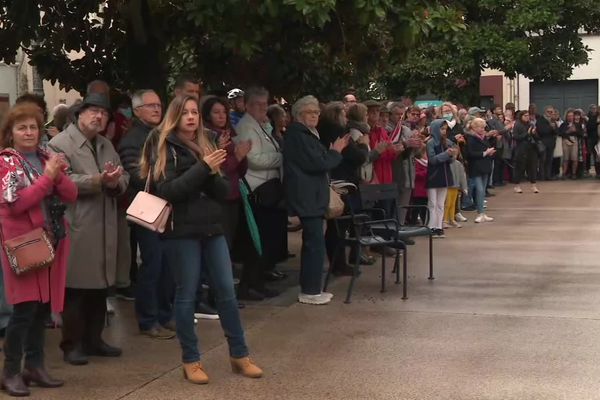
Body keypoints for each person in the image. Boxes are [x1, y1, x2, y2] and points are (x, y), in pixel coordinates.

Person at [140, 95, 262, 384]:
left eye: (195, 112)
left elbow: (223, 190)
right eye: (185, 114)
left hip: (212, 227)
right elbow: (169, 190)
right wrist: (203, 168)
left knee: (226, 291)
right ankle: (191, 360)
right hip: (182, 231)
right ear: (175, 118)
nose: (192, 118)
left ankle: (240, 355)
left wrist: (213, 169)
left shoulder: (207, 142)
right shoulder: (164, 145)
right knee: (186, 294)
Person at [0, 104, 77, 397]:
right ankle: (10, 372)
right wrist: (48, 177)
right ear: (11, 133)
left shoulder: (47, 157)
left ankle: (35, 366)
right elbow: (17, 203)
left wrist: (56, 174)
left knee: (40, 309)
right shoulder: (7, 162)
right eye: (22, 128)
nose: (29, 132)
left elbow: (71, 194)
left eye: (33, 127)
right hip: (23, 245)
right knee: (23, 311)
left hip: (50, 242)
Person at [48, 93, 129, 366]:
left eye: (104, 113)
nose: (99, 117)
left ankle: (94, 340)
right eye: (93, 111)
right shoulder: (60, 143)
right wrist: (99, 180)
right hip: (77, 225)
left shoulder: (106, 144)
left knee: (100, 288)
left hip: (105, 225)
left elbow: (124, 176)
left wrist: (116, 182)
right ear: (78, 114)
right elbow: (62, 179)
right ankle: (71, 345)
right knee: (76, 289)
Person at [118, 90, 175, 339]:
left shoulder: (164, 133)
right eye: (150, 106)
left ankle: (164, 314)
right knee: (153, 264)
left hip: (169, 206)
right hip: (148, 207)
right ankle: (148, 319)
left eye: (159, 105)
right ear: (137, 110)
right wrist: (170, 177)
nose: (156, 109)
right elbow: (137, 176)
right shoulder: (133, 139)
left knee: (168, 265)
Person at [283, 96, 348, 305]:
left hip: (311, 194)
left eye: (317, 112)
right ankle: (310, 290)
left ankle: (311, 288)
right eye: (310, 112)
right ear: (300, 114)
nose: (315, 115)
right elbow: (318, 163)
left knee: (314, 242)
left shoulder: (306, 134)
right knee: (314, 244)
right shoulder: (298, 135)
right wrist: (335, 151)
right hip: (306, 195)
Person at [236, 87, 288, 282]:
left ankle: (260, 278)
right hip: (258, 189)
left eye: (264, 104)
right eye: (257, 104)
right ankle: (253, 282)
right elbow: (253, 159)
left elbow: (269, 146)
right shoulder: (246, 127)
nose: (262, 108)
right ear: (247, 105)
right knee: (259, 240)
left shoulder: (258, 124)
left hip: (268, 188)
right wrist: (280, 157)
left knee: (268, 238)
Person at [318, 101, 367, 276]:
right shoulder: (337, 132)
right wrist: (362, 145)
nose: (346, 119)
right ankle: (338, 264)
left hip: (333, 180)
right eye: (344, 115)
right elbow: (357, 157)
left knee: (335, 226)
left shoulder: (321, 131)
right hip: (343, 183)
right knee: (339, 225)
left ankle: (337, 262)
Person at [426, 119, 456, 238]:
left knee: (440, 203)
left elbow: (452, 160)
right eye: (441, 128)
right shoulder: (430, 143)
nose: (444, 131)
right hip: (434, 175)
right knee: (432, 203)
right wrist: (446, 155)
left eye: (445, 129)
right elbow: (432, 160)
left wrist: (452, 155)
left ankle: (439, 226)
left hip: (444, 175)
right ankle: (431, 226)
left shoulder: (447, 142)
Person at [466, 118, 496, 223]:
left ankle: (482, 212)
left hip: (485, 166)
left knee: (482, 190)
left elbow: (487, 147)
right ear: (474, 127)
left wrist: (490, 152)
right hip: (476, 167)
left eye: (484, 127)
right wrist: (484, 153)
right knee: (479, 189)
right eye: (481, 127)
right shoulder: (471, 138)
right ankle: (479, 213)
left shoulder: (483, 138)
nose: (483, 129)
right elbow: (470, 153)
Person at [513, 110, 540, 193]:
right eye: (525, 115)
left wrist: (534, 133)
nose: (527, 117)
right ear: (521, 116)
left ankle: (533, 186)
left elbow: (537, 137)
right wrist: (527, 133)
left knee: (532, 167)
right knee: (520, 168)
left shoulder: (530, 124)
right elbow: (516, 137)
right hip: (521, 149)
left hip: (531, 148)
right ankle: (517, 186)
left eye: (528, 115)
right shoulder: (517, 125)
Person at [535, 106, 559, 181]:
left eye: (552, 112)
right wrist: (550, 128)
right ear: (545, 112)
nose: (550, 113)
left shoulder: (553, 121)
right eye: (549, 112)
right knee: (543, 160)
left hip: (551, 144)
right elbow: (542, 131)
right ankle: (542, 176)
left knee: (549, 160)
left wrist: (554, 128)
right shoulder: (540, 120)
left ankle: (548, 176)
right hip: (543, 143)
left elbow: (557, 132)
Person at [559, 109, 584, 180]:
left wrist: (575, 131)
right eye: (569, 116)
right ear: (566, 117)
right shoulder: (563, 124)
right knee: (566, 159)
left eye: (572, 116)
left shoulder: (577, 124)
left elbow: (581, 134)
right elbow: (560, 133)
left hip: (574, 141)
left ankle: (574, 174)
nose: (570, 117)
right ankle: (564, 174)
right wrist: (568, 131)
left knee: (574, 159)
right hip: (565, 141)